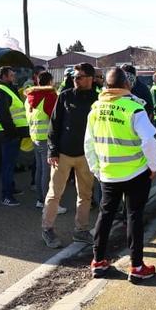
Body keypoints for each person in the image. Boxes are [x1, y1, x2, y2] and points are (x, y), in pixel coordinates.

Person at [85, 66, 156, 282]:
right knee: (134, 216)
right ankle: (136, 266)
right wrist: (154, 166)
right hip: (136, 172)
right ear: (127, 85)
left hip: (108, 173)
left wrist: (96, 169)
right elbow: (148, 141)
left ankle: (98, 261)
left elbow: (88, 143)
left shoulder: (95, 109)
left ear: (106, 86)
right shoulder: (134, 108)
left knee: (105, 215)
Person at [41, 63, 97, 249]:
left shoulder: (97, 100)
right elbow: (53, 125)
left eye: (80, 76)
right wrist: (52, 151)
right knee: (54, 194)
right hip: (62, 155)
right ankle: (47, 229)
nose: (76, 79)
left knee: (85, 195)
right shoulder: (65, 96)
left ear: (91, 78)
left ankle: (81, 230)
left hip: (86, 156)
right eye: (74, 76)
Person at [0, 65, 30, 205]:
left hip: (9, 133)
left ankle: (10, 189)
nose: (14, 78)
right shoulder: (1, 91)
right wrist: (13, 133)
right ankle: (6, 196)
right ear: (4, 77)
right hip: (8, 134)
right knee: (7, 165)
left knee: (10, 164)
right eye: (11, 75)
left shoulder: (5, 90)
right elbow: (3, 116)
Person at [25, 72, 62, 210]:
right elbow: (56, 119)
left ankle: (40, 200)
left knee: (40, 169)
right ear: (50, 82)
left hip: (35, 137)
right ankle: (49, 204)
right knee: (48, 172)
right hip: (47, 139)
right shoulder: (50, 96)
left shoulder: (29, 96)